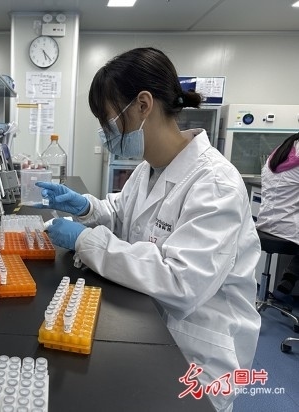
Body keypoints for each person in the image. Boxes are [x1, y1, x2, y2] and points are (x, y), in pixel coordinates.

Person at [35, 47, 260, 411]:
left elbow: (181, 282)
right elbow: (124, 215)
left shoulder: (216, 184)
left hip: (195, 352)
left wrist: (85, 239)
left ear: (143, 105)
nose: (107, 133)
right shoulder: (148, 168)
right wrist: (87, 207)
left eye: (109, 120)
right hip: (147, 324)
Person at [256, 133, 299, 299]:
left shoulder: (281, 150)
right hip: (287, 230)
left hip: (264, 224)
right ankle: (289, 277)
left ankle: (288, 279)